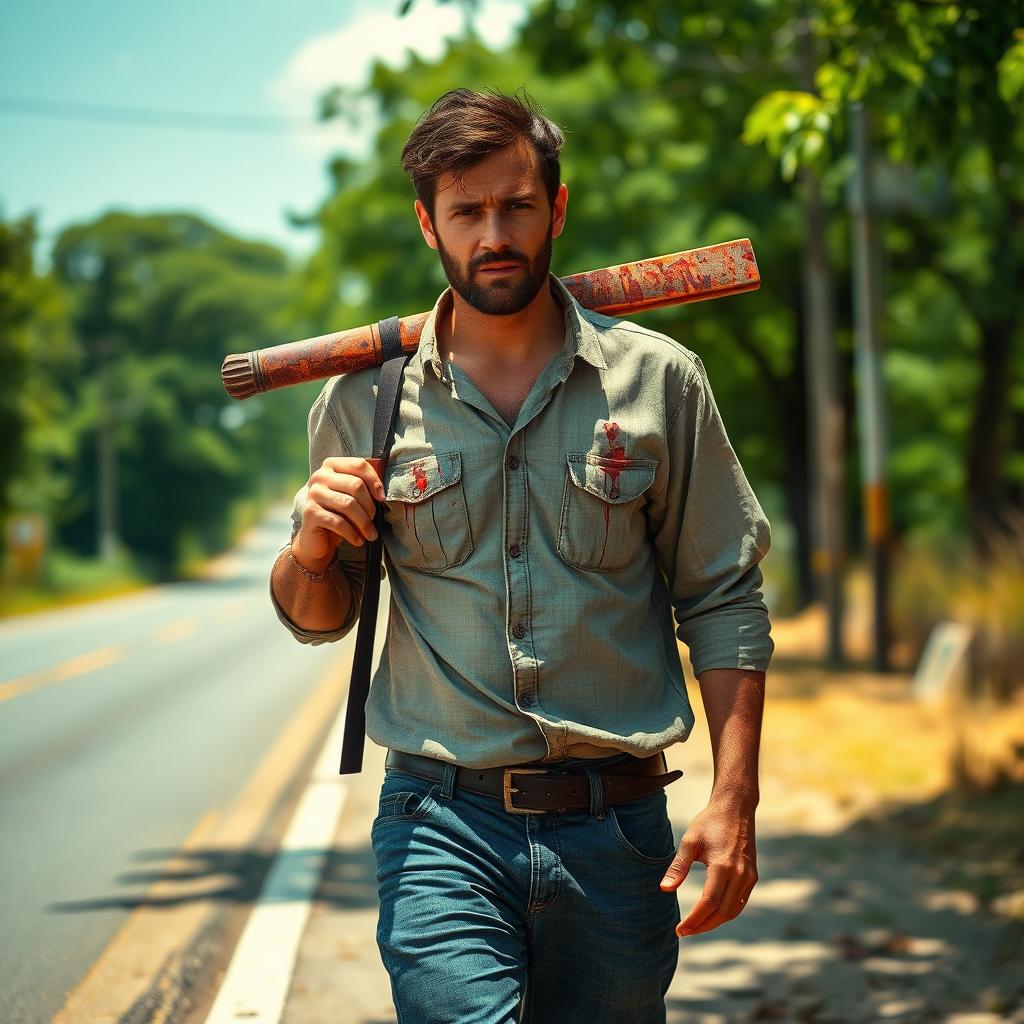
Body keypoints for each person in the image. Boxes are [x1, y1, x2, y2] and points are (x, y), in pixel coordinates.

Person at [269, 86, 773, 1024]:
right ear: (430, 225)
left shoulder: (658, 381)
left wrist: (735, 798)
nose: (493, 233)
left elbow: (723, 597)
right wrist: (309, 544)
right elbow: (318, 619)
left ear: (558, 208)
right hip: (439, 825)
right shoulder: (360, 406)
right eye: (467, 211)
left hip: (619, 831)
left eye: (516, 204)